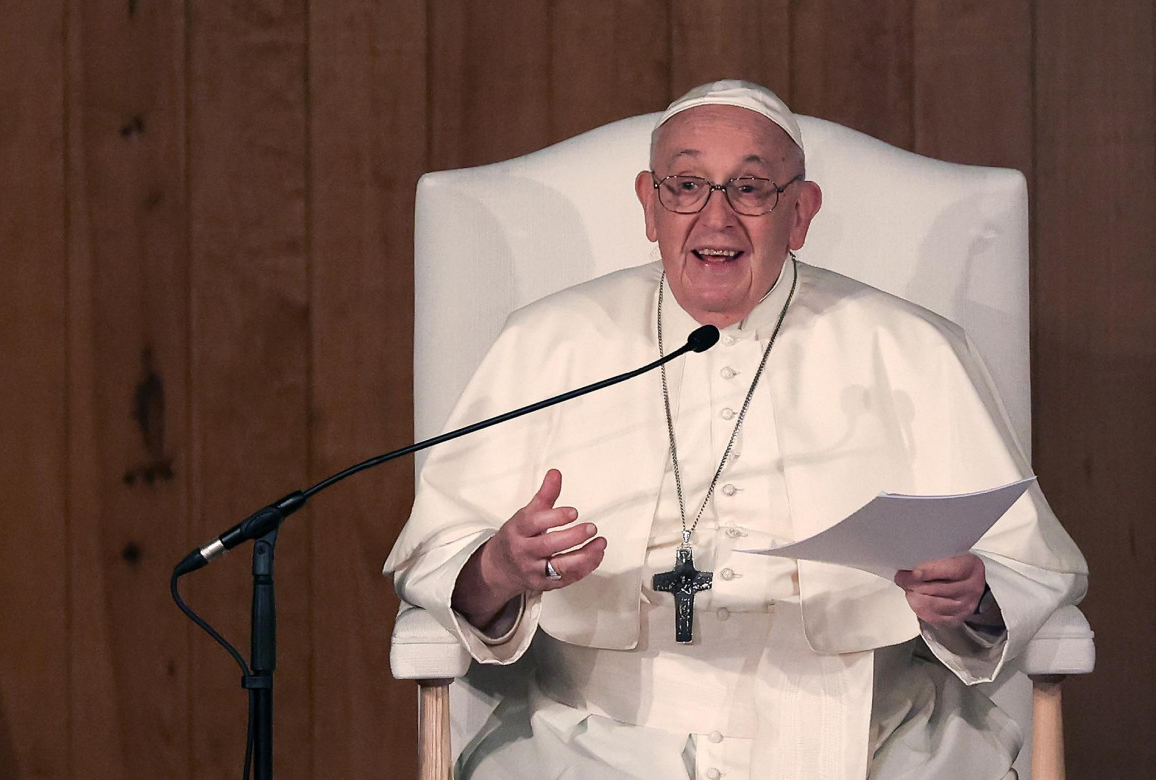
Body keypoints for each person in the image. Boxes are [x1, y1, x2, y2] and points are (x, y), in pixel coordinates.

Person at [384, 80, 1087, 779]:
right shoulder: (547, 342)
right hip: (595, 739)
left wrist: (972, 597)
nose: (715, 218)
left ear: (801, 213)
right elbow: (437, 558)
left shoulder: (912, 347)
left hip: (873, 734)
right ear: (650, 205)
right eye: (686, 185)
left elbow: (1029, 564)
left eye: (750, 189)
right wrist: (499, 568)